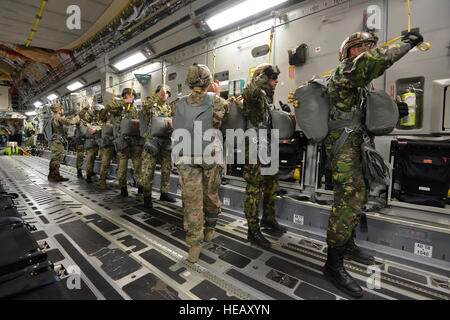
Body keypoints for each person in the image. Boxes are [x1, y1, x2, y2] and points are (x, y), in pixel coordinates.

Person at [323, 31, 424, 298]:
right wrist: (407, 43)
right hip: (344, 150)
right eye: (364, 46)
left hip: (358, 147)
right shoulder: (346, 72)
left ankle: (348, 244)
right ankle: (333, 265)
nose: (369, 49)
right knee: (346, 204)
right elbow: (375, 61)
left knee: (358, 198)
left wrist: (394, 110)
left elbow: (364, 116)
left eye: (371, 45)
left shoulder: (360, 87)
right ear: (350, 52)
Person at [172, 64, 229, 263]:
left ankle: (194, 246)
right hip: (209, 156)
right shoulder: (218, 102)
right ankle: (210, 229)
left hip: (186, 156)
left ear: (188, 83)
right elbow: (219, 123)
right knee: (211, 194)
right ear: (209, 82)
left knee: (192, 201)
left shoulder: (177, 103)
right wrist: (217, 94)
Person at [241, 63, 287, 250]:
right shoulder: (254, 93)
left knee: (271, 183)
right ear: (264, 79)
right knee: (254, 188)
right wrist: (261, 76)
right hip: (254, 143)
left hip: (268, 142)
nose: (276, 81)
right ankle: (252, 229)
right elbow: (248, 91)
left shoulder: (268, 96)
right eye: (273, 78)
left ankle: (268, 219)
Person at [101, 88, 144, 197]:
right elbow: (108, 107)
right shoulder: (117, 110)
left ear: (134, 97)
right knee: (122, 166)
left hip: (135, 142)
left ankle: (141, 187)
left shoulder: (136, 110)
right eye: (125, 96)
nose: (128, 97)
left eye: (130, 96)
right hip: (122, 142)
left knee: (138, 166)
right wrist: (124, 102)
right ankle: (123, 188)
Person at [141, 85, 177, 208]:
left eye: (166, 93)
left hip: (165, 142)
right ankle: (147, 196)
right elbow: (145, 106)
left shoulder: (169, 107)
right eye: (161, 92)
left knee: (166, 169)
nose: (164, 94)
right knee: (149, 171)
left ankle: (164, 193)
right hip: (152, 142)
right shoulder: (150, 105)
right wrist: (157, 95)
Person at [48, 103, 80, 182]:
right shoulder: (58, 118)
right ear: (59, 110)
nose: (63, 110)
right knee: (56, 159)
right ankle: (54, 176)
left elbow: (66, 119)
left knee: (55, 158)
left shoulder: (54, 117)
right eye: (61, 109)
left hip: (54, 141)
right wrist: (78, 116)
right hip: (57, 142)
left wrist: (75, 114)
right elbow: (70, 122)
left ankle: (53, 175)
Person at [83, 104, 104, 183]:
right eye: (96, 112)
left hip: (100, 141)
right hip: (92, 141)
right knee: (90, 158)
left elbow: (103, 126)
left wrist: (93, 127)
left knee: (102, 158)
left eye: (99, 112)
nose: (97, 113)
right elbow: (84, 122)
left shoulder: (103, 118)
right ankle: (89, 175)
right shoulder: (91, 118)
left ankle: (102, 176)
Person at [76, 100, 93, 179]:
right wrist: (85, 109)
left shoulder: (89, 116)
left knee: (89, 156)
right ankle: (79, 170)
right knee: (80, 155)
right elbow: (80, 115)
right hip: (81, 138)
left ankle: (89, 171)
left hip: (88, 138)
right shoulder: (79, 117)